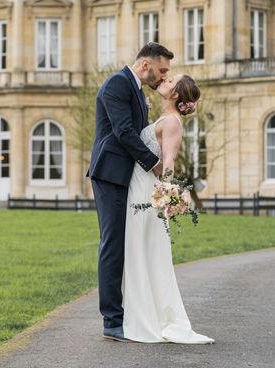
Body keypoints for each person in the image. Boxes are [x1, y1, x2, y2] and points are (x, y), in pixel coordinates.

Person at [88, 42, 172, 341]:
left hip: (129, 176)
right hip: (110, 174)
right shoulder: (117, 84)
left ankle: (131, 312)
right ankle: (112, 320)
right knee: (113, 244)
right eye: (162, 70)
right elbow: (123, 132)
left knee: (129, 244)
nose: (163, 77)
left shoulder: (136, 90)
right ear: (145, 64)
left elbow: (139, 133)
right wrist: (155, 164)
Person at [122, 73, 214, 344]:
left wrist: (166, 194)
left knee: (145, 251)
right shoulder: (163, 119)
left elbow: (170, 161)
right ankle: (140, 312)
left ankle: (149, 318)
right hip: (138, 185)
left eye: (171, 80)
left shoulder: (172, 123)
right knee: (138, 250)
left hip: (146, 192)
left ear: (174, 94)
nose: (165, 79)